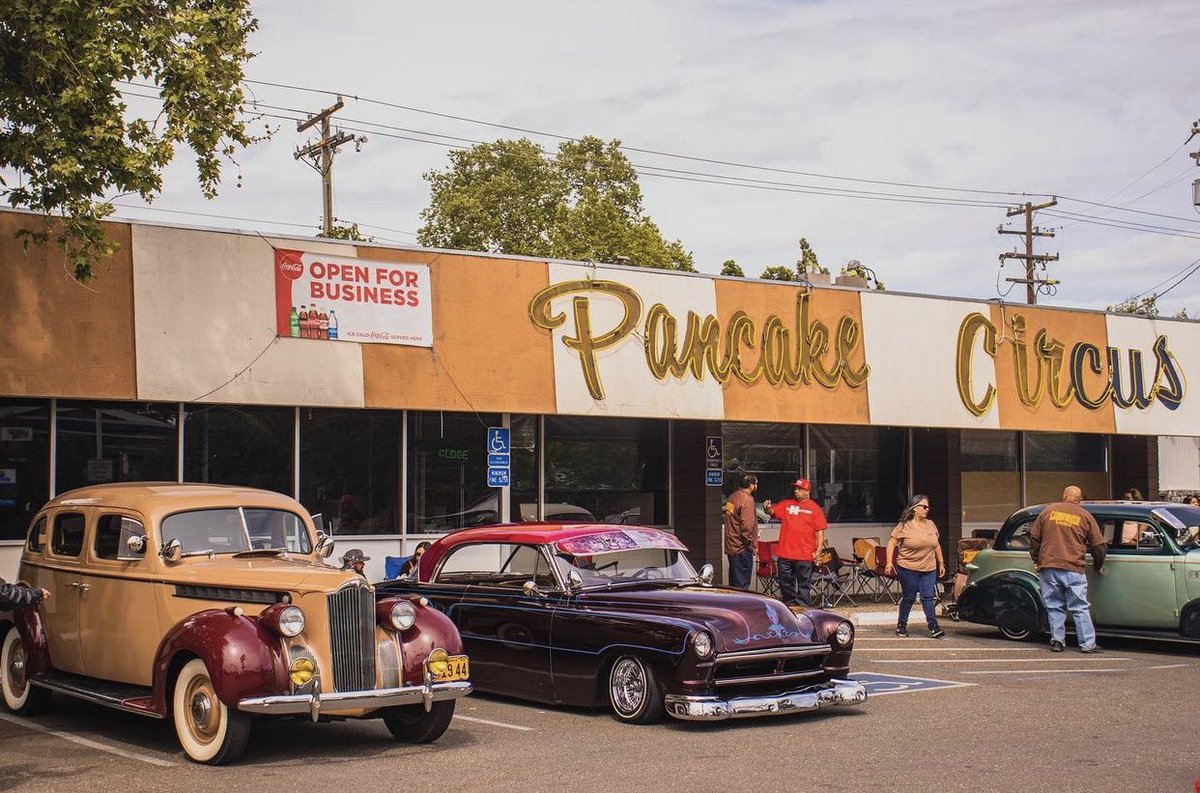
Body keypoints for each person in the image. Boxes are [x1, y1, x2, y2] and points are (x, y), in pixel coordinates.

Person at [1030, 485, 1106, 653]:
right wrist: (1098, 565)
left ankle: (1057, 641)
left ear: (1064, 496)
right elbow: (1099, 546)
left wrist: (1037, 560)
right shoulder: (1084, 515)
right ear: (1079, 500)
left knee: (1054, 605)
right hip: (1073, 567)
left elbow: (1034, 539)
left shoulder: (1047, 511)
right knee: (1079, 607)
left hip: (1048, 566)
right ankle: (1087, 644)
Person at [886, 495, 946, 638]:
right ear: (915, 509)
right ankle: (901, 625)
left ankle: (933, 626)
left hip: (928, 568)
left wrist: (941, 562)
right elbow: (891, 544)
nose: (927, 509)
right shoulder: (904, 526)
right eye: (924, 507)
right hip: (908, 567)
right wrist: (889, 562)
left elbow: (936, 545)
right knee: (909, 596)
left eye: (928, 507)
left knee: (928, 597)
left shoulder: (931, 524)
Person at [763, 478, 827, 607]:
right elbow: (771, 512)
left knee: (804, 585)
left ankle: (803, 610)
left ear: (807, 491)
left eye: (799, 489)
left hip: (805, 554)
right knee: (785, 583)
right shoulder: (787, 504)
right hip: (785, 554)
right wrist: (767, 508)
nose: (796, 491)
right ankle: (789, 607)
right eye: (795, 488)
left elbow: (820, 531)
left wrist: (818, 551)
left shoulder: (814, 509)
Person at [723, 475, 759, 589]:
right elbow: (747, 525)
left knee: (733, 585)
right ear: (752, 485)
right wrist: (749, 543)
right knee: (742, 585)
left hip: (731, 545)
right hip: (742, 548)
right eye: (756, 484)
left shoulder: (732, 497)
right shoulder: (747, 499)